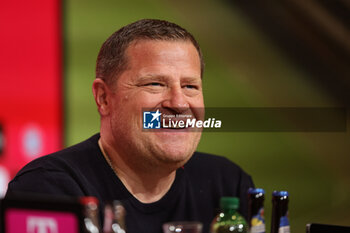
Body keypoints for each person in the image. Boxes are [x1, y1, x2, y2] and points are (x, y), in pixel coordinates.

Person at [6, 19, 254, 233]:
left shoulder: (229, 184)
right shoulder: (46, 192)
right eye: (155, 84)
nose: (179, 103)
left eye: (190, 86)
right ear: (104, 98)